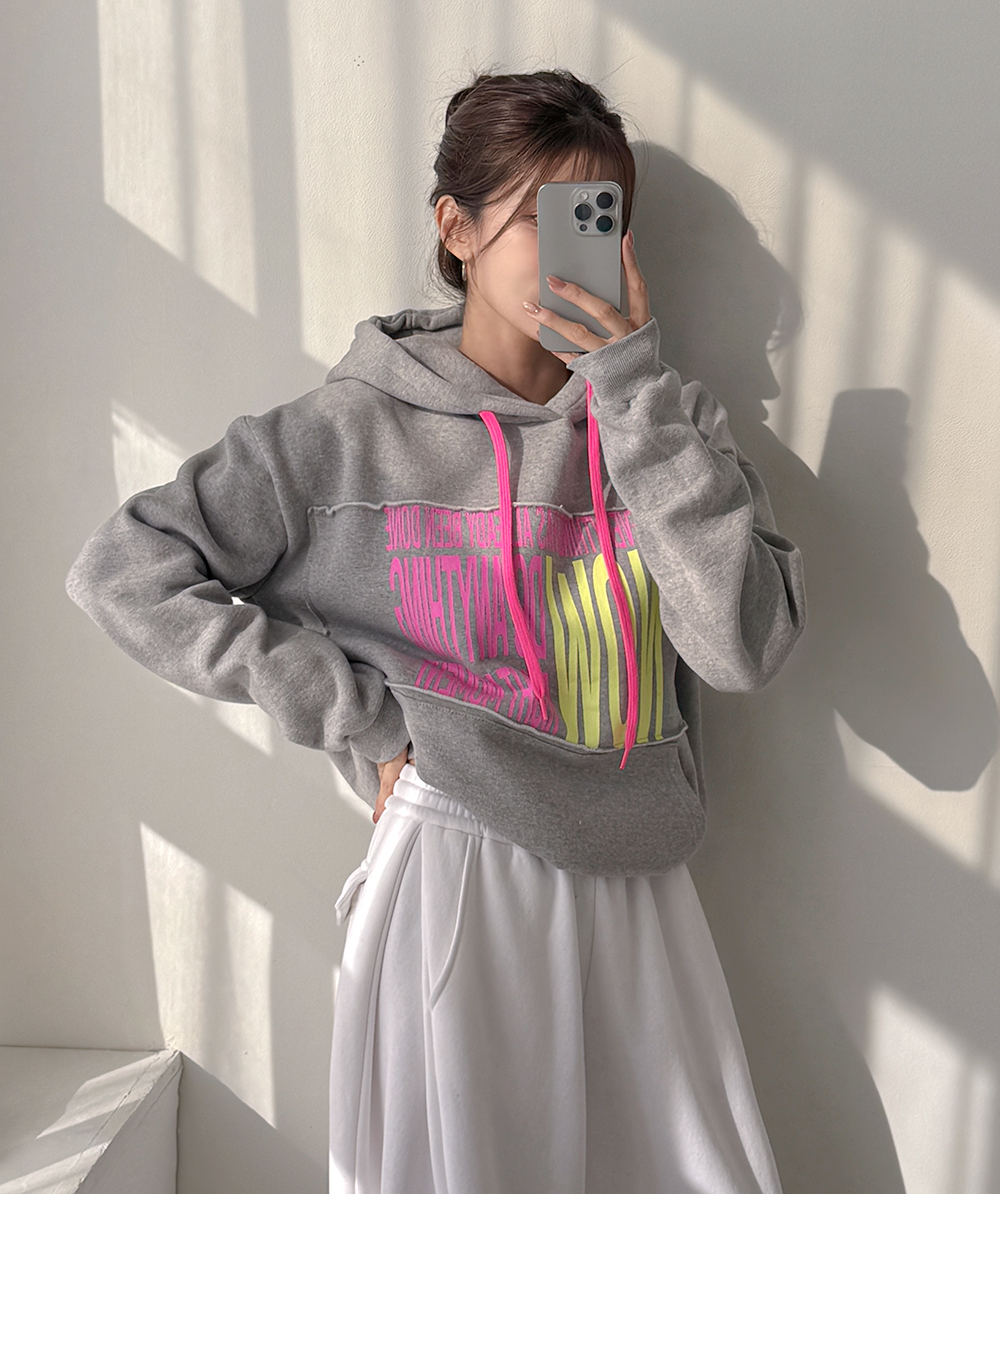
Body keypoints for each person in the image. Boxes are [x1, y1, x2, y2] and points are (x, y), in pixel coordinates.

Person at [65, 69, 806, 1194]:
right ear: (455, 229)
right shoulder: (342, 437)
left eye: (601, 218)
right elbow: (123, 569)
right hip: (458, 856)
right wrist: (355, 713)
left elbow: (741, 649)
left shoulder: (669, 422)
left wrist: (629, 392)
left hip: (641, 868)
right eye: (544, 217)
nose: (579, 250)